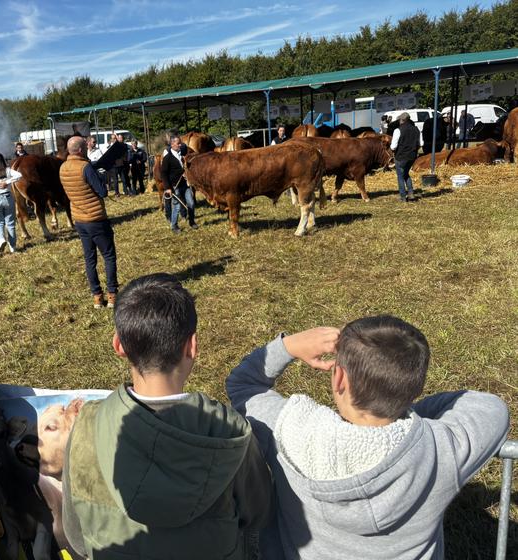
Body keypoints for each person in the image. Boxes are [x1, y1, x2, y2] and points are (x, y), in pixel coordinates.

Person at [226, 315, 509, 560]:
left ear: (339, 379)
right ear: (415, 389)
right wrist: (407, 411)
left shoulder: (287, 429)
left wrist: (288, 346)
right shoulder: (441, 448)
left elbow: (244, 385)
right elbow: (489, 407)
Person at [63, 273, 272, 558]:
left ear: (118, 346)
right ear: (192, 346)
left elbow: (75, 535)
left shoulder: (85, 425)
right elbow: (257, 514)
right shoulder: (230, 433)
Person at [59, 136, 118, 309]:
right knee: (108, 256)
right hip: (96, 218)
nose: (87, 148)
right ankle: (112, 295)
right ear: (80, 150)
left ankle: (97, 297)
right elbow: (102, 192)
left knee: (90, 259)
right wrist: (101, 176)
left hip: (79, 219)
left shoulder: (63, 167)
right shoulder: (85, 167)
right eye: (85, 146)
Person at [160, 135, 197, 233]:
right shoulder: (167, 158)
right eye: (178, 143)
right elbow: (163, 173)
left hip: (184, 184)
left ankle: (192, 221)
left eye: (180, 143)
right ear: (172, 144)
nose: (180, 145)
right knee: (176, 206)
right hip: (174, 186)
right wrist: (167, 187)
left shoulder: (182, 155)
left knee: (191, 203)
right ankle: (174, 225)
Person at [390, 112, 421, 202]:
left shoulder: (398, 130)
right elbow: (420, 144)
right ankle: (411, 194)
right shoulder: (416, 129)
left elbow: (393, 147)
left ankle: (403, 196)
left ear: (401, 120)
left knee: (400, 176)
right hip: (412, 157)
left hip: (400, 157)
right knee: (406, 174)